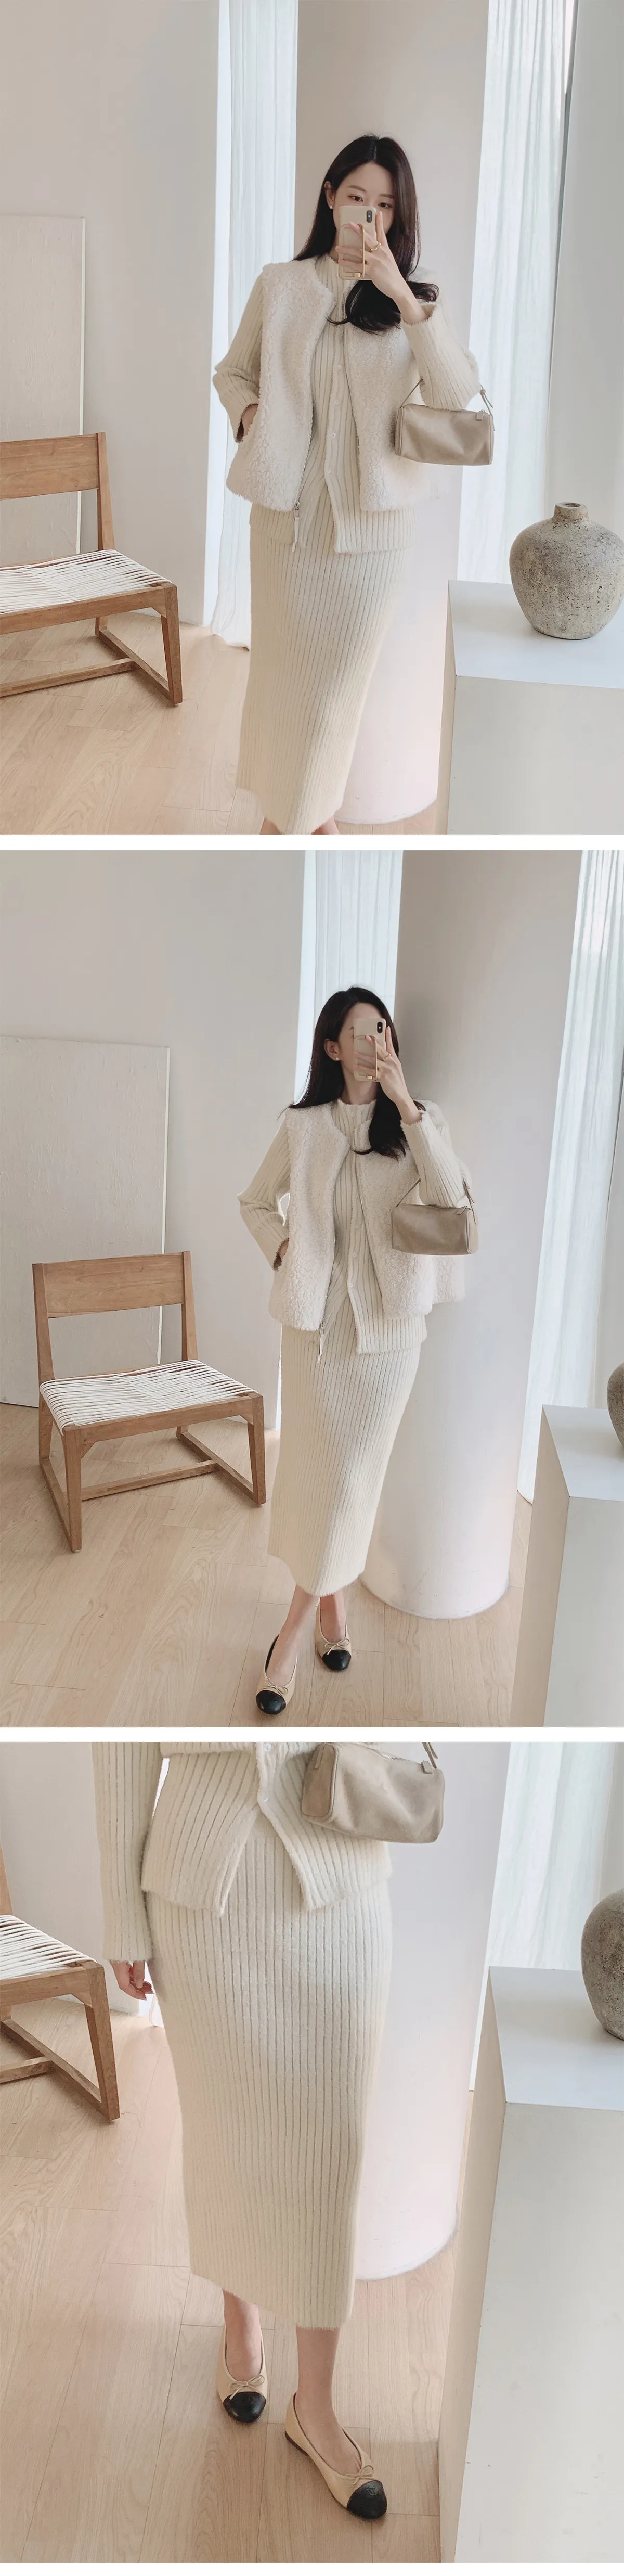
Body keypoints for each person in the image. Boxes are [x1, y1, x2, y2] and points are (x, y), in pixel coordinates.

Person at [93, 1738, 393, 2517]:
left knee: (331, 2156)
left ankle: (315, 2407)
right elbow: (122, 1739)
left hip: (337, 1870)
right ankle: (242, 2330)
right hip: (200, 1890)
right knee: (227, 2133)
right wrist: (122, 1913)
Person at [213, 132, 480, 834]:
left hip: (373, 540)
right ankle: (304, 824)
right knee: (282, 688)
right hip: (285, 529)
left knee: (333, 702)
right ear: (331, 197)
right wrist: (252, 416)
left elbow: (455, 395)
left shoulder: (415, 301)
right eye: (358, 197)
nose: (370, 216)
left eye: (385, 206)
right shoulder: (281, 285)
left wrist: (402, 297)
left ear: (399, 215)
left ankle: (290, 826)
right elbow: (232, 371)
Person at [239, 985, 471, 1714]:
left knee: (351, 1482)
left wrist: (407, 1106)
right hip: (315, 1335)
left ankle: (294, 1629)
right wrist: (283, 1250)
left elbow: (454, 1200)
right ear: (333, 1046)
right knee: (320, 1480)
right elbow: (254, 1201)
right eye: (359, 1031)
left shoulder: (421, 1121)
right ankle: (329, 1609)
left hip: (390, 1342)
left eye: (383, 1029)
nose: (374, 1041)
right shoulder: (303, 1126)